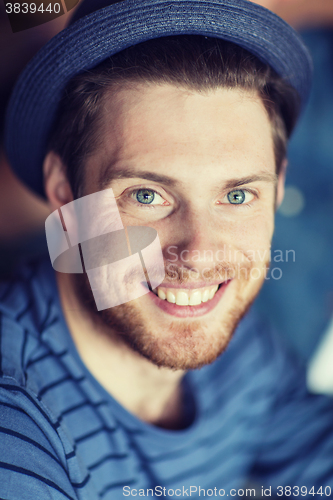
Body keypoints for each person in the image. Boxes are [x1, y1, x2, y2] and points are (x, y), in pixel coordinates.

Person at [1, 1, 333, 499]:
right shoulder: (17, 424)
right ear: (65, 193)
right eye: (146, 196)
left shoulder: (241, 349)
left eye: (237, 195)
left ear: (280, 187)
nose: (198, 256)